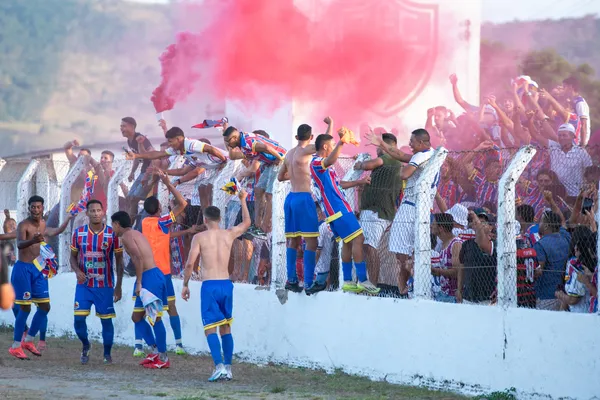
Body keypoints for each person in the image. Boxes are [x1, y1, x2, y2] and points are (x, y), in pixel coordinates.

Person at [182, 189, 251, 382]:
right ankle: (228, 368)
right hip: (226, 284)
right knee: (226, 327)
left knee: (210, 328)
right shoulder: (228, 234)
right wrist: (243, 200)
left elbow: (189, 264)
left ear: (205, 219)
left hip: (210, 285)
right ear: (220, 219)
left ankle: (219, 366)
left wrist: (185, 284)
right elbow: (246, 223)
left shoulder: (200, 237)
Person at [365, 128, 437, 297]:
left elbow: (404, 173)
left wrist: (389, 169)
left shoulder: (419, 156)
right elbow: (401, 156)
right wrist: (382, 144)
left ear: (420, 142)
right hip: (422, 207)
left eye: (412, 142)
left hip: (410, 207)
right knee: (411, 251)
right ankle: (412, 287)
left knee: (401, 254)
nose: (410, 145)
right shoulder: (431, 154)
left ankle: (410, 287)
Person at [310, 131, 380, 295]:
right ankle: (363, 280)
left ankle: (348, 280)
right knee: (359, 238)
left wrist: (359, 181)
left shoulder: (323, 165)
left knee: (348, 242)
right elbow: (331, 159)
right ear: (326, 146)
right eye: (333, 145)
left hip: (338, 208)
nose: (335, 147)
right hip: (337, 208)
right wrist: (342, 142)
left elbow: (338, 183)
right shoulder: (316, 162)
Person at [9, 195, 72, 360]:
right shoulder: (24, 225)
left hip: (38, 269)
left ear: (43, 208)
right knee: (25, 308)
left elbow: (57, 231)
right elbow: (20, 244)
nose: (36, 210)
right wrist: (33, 240)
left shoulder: (43, 224)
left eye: (39, 207)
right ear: (29, 208)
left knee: (45, 306)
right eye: (33, 207)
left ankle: (28, 340)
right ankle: (16, 346)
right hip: (23, 270)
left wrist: (68, 218)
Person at [138, 170, 188, 356]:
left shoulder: (144, 223)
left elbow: (164, 237)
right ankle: (178, 344)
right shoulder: (162, 222)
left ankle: (142, 346)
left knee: (144, 312)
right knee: (169, 309)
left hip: (147, 273)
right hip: (163, 273)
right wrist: (168, 183)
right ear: (160, 209)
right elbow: (183, 204)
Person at [111, 210, 170, 369]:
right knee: (137, 317)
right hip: (151, 276)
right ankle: (155, 351)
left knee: (155, 318)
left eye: (113, 225)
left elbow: (138, 258)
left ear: (117, 224)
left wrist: (139, 282)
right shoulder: (135, 233)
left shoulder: (126, 237)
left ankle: (163, 357)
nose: (112, 229)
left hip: (149, 278)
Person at [278, 119, 331, 294]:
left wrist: (296, 175)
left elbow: (280, 177)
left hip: (290, 198)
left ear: (296, 136)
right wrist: (330, 124)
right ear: (311, 137)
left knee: (293, 240)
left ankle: (291, 279)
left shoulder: (289, 153)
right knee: (311, 241)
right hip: (303, 197)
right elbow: (325, 144)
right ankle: (308, 282)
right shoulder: (307, 149)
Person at [70, 200, 124, 364]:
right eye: (92, 211)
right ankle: (86, 345)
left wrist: (119, 286)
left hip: (105, 286)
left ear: (103, 212)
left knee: (106, 321)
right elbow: (72, 257)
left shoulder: (112, 234)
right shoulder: (78, 233)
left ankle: (107, 354)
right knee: (78, 320)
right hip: (84, 286)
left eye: (98, 210)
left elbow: (119, 261)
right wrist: (77, 271)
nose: (95, 213)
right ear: (87, 213)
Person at [222, 125, 286, 237]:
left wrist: (280, 159)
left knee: (269, 195)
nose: (228, 144)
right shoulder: (242, 144)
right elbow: (233, 156)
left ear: (234, 138)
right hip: (268, 165)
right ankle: (257, 225)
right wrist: (224, 133)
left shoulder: (248, 142)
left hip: (277, 161)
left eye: (228, 141)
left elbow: (267, 148)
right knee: (258, 190)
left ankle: (264, 227)